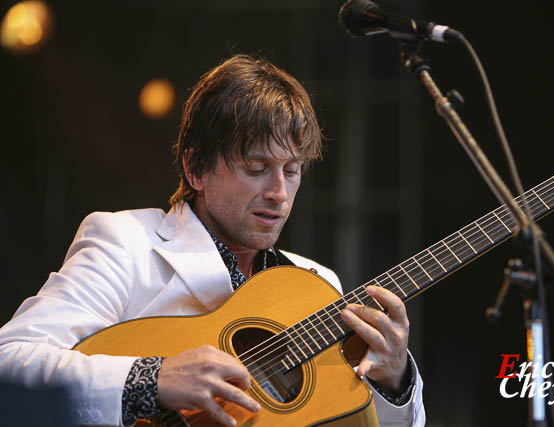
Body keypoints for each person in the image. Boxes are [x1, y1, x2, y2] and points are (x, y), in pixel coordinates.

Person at [0, 54, 425, 426]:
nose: (278, 191)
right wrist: (152, 378)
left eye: (291, 171)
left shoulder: (316, 284)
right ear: (195, 169)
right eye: (257, 168)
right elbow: (10, 363)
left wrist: (394, 379)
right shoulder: (124, 243)